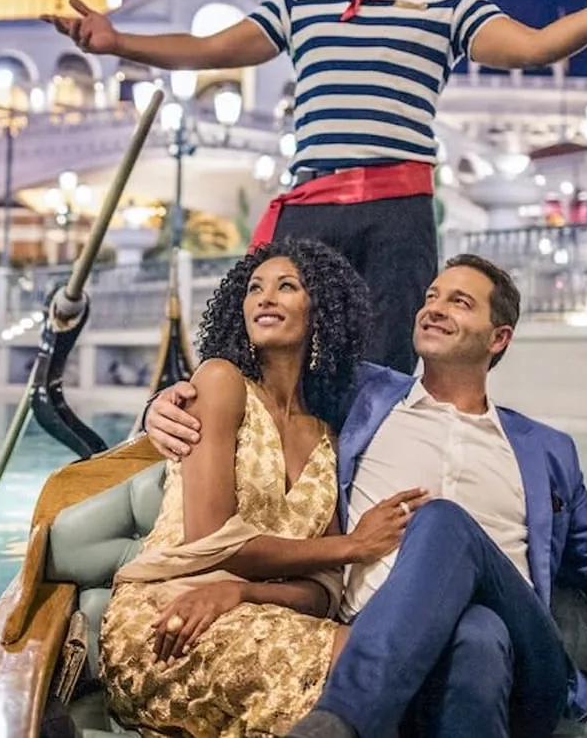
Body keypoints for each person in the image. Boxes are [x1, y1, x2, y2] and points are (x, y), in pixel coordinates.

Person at [45, 0, 587, 376]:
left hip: (398, 215)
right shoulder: (302, 6)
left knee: (384, 368)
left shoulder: (452, 7)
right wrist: (117, 41)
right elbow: (209, 50)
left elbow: (535, 47)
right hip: (311, 210)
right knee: (280, 360)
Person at [144, 255, 587, 737]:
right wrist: (166, 406)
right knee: (474, 634)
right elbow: (264, 384)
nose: (434, 308)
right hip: (389, 642)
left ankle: (340, 723)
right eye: (431, 296)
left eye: (459, 302)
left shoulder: (543, 449)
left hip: (530, 664)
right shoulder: (361, 399)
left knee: (443, 524)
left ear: (498, 339)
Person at [100, 238, 431, 737]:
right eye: (254, 288)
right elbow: (211, 539)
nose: (265, 298)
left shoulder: (328, 439)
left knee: (381, 662)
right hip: (166, 619)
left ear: (321, 312)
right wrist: (353, 545)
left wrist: (240, 592)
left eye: (287, 286)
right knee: (367, 662)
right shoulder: (220, 382)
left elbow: (323, 590)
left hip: (250, 612)